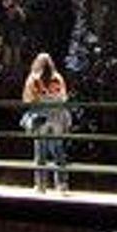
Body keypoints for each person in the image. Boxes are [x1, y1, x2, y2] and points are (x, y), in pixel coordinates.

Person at [21, 51, 73, 192]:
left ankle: (41, 185)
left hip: (40, 117)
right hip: (57, 117)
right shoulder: (58, 78)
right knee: (58, 151)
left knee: (40, 151)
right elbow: (64, 98)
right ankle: (62, 184)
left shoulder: (33, 78)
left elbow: (26, 99)